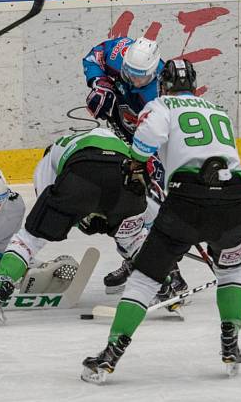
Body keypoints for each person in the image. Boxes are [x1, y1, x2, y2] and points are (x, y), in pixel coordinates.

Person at [80, 59, 241, 384]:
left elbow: (146, 142)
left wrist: (135, 166)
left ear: (163, 84)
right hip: (235, 199)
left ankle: (111, 355)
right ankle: (231, 345)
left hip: (187, 200)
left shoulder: (161, 105)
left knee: (145, 279)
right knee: (232, 272)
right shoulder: (217, 109)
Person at [0, 127, 189, 326]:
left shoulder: (50, 156)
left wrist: (79, 217)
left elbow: (50, 200)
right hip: (126, 175)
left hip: (82, 171)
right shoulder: (116, 141)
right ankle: (166, 282)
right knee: (134, 240)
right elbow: (144, 209)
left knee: (29, 239)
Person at [82, 32, 177, 291]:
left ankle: (169, 270)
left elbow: (164, 137)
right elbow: (94, 56)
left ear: (154, 73)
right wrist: (100, 83)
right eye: (129, 73)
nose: (134, 80)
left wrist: (147, 162)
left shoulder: (162, 92)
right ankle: (134, 257)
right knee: (125, 205)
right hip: (122, 138)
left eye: (140, 77)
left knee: (150, 208)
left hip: (149, 149)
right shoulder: (120, 51)